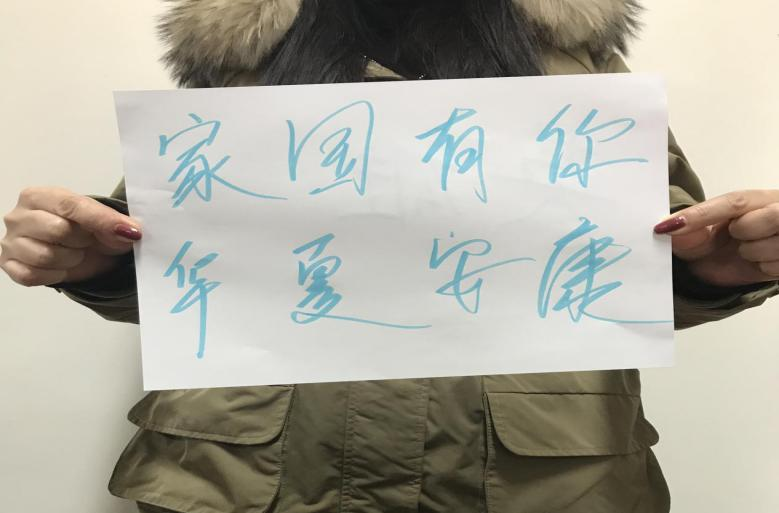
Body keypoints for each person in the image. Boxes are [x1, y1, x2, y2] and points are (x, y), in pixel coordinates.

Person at [2, 1, 778, 512]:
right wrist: (89, 257)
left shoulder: (580, 73)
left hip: (543, 479)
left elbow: (639, 266)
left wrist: (713, 268)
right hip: (247, 475)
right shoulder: (237, 64)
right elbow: (179, 272)